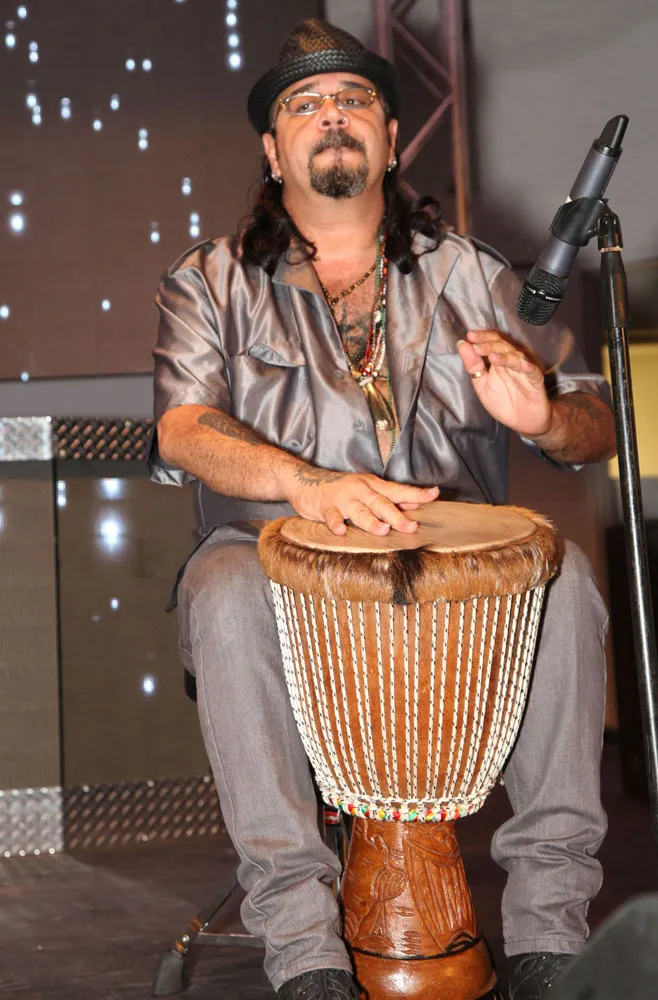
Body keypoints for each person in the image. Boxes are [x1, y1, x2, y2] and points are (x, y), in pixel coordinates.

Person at [149, 18, 616, 1000]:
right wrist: (304, 483)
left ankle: (550, 935)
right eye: (304, 104)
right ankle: (304, 952)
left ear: (392, 138)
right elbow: (184, 428)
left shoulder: (473, 275)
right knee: (223, 589)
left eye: (354, 99)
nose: (332, 115)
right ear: (272, 148)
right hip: (275, 570)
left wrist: (543, 413)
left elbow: (593, 423)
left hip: (453, 583)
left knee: (564, 577)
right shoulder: (211, 281)